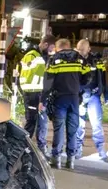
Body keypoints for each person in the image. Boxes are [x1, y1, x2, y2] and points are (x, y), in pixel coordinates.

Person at [39, 38, 92, 170]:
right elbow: (88, 77)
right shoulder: (79, 59)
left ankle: (56, 159)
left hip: (59, 98)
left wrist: (43, 100)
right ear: (69, 46)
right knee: (72, 129)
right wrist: (78, 87)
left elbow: (47, 82)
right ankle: (70, 160)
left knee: (59, 129)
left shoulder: (54, 60)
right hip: (74, 98)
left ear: (57, 48)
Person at [17, 35, 55, 157]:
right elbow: (45, 77)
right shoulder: (37, 57)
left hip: (31, 92)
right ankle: (22, 148)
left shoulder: (33, 55)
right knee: (32, 122)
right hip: (34, 93)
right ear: (45, 44)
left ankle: (31, 148)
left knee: (36, 121)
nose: (51, 51)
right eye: (51, 48)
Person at [75, 40, 108, 162]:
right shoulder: (74, 60)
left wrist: (107, 95)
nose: (80, 51)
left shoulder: (97, 61)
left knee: (96, 124)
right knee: (79, 125)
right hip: (79, 96)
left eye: (82, 49)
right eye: (78, 49)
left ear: (88, 49)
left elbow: (103, 79)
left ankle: (101, 151)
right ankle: (78, 150)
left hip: (93, 95)